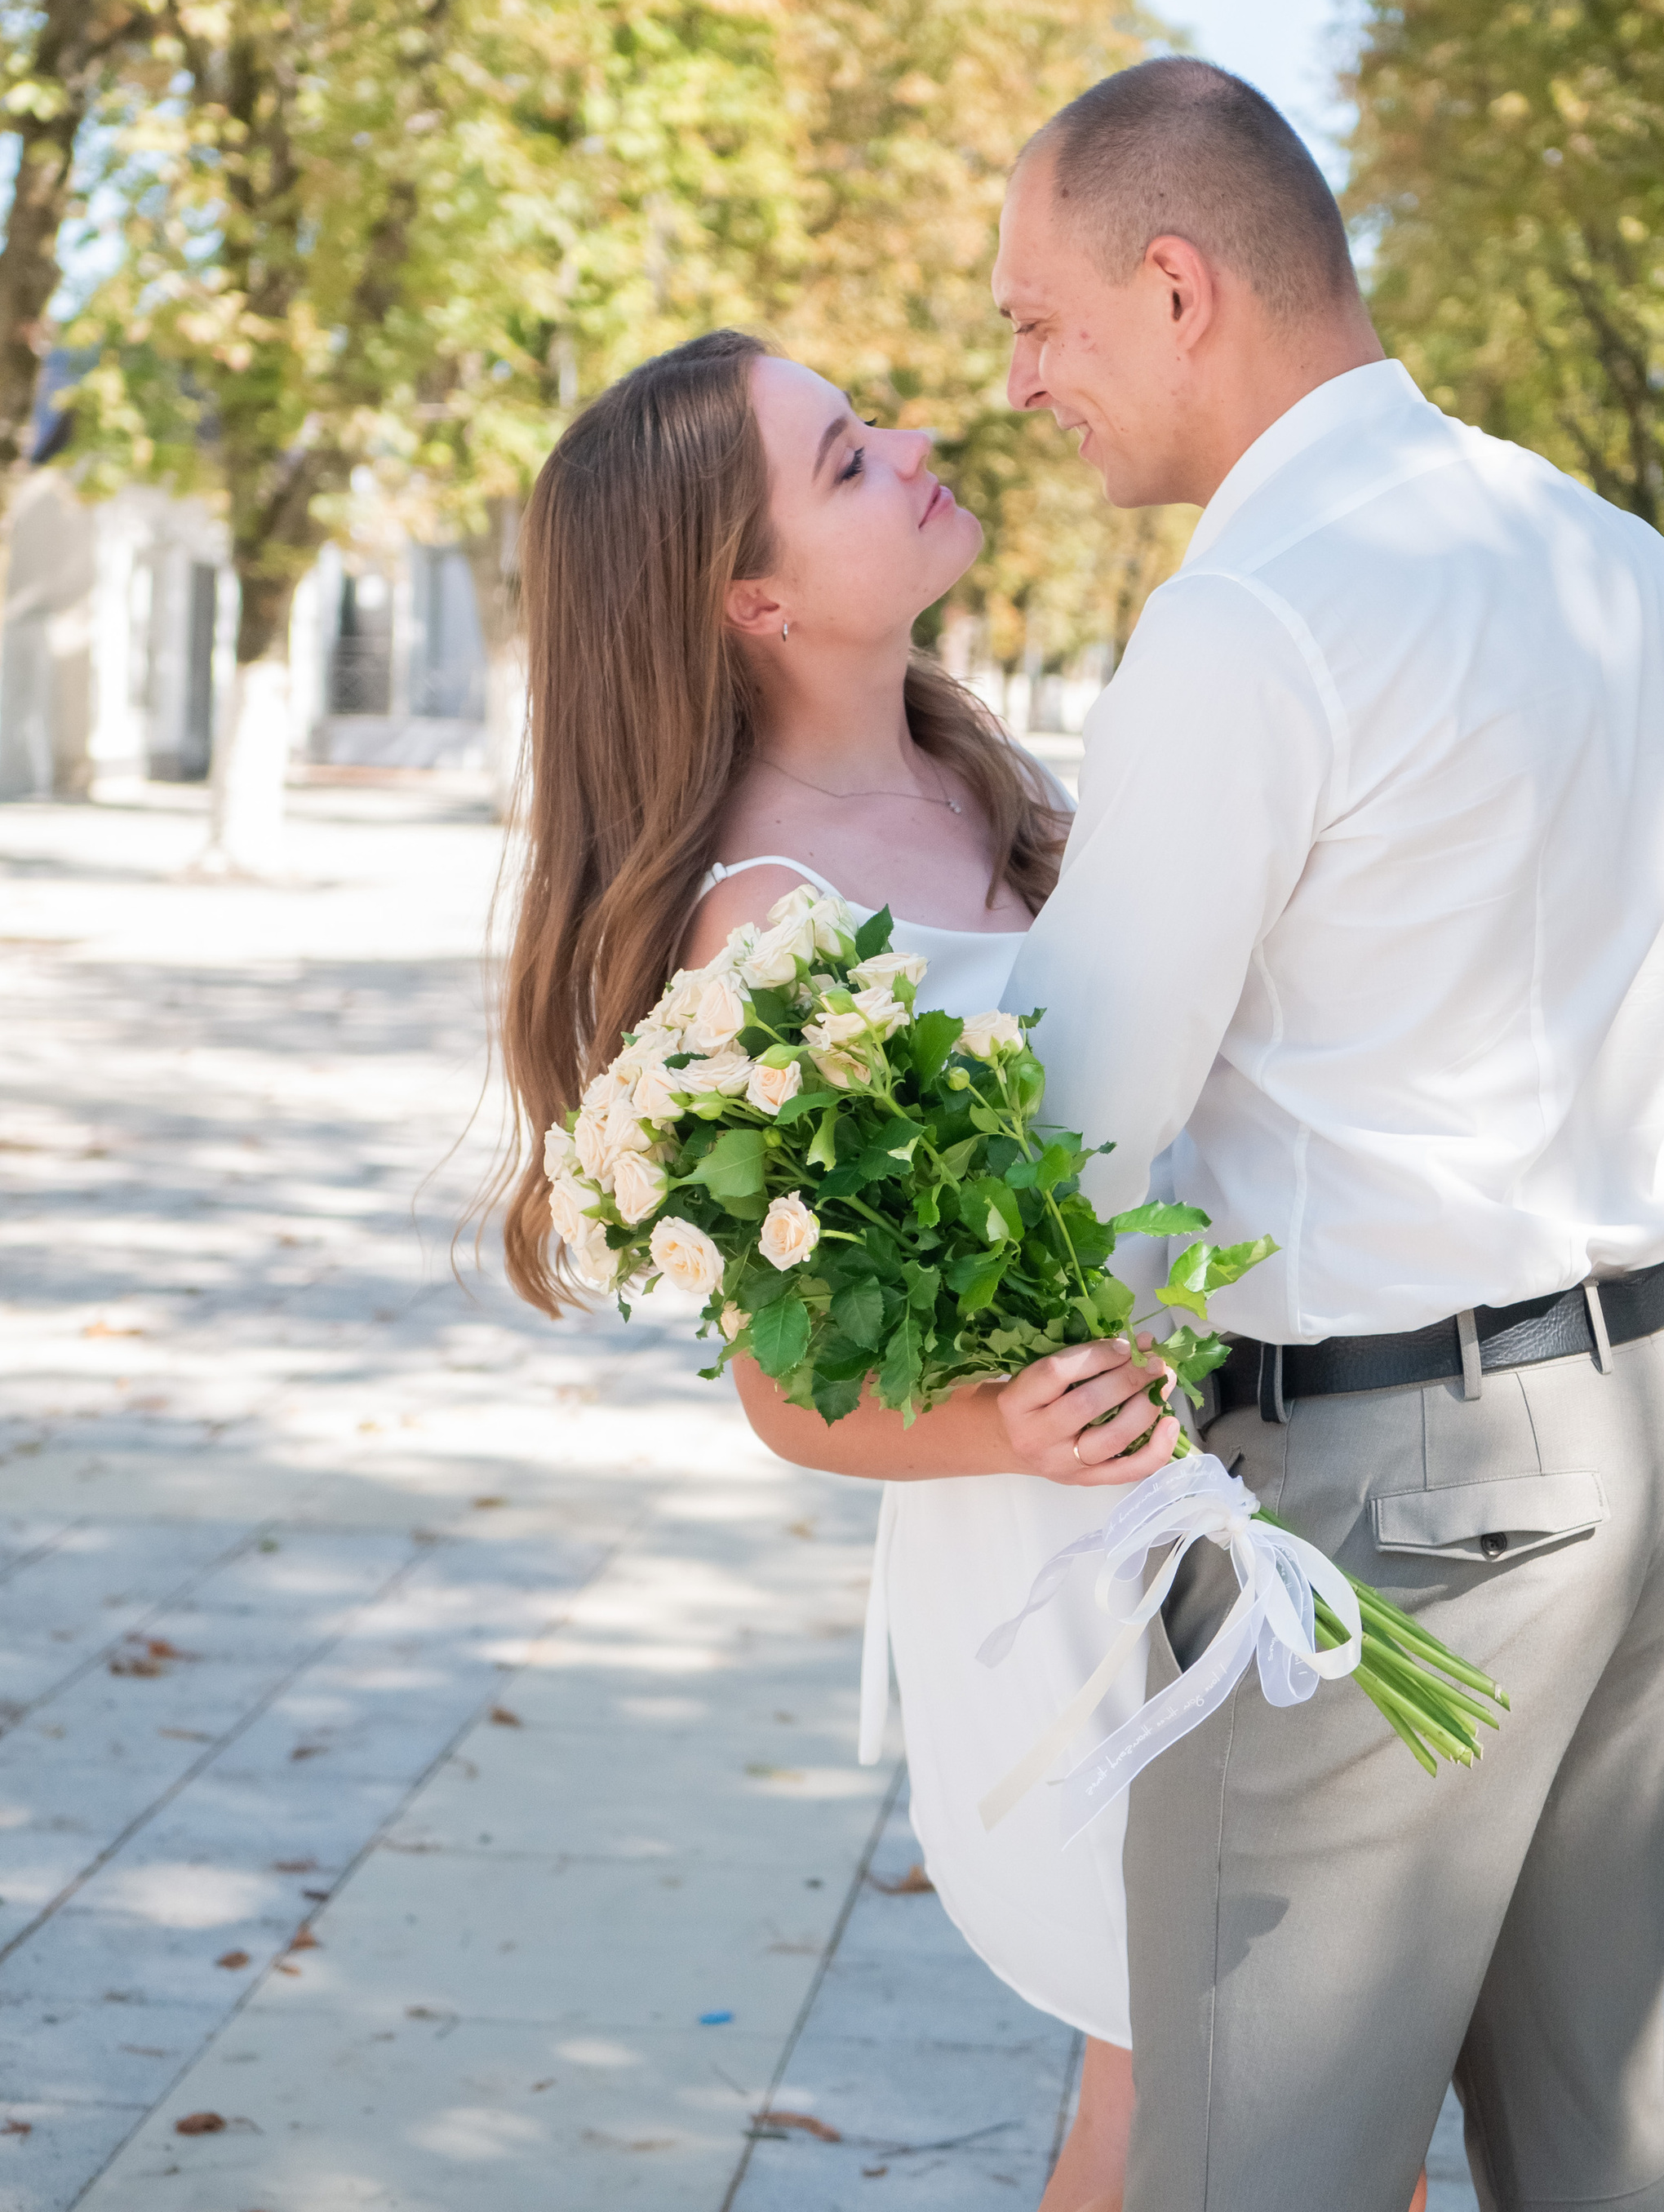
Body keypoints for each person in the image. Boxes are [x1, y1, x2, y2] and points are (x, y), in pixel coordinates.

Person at [994, 58, 1664, 2212]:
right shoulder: (1621, 560)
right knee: (1592, 2147)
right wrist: (1535, 1075)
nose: (1021, 379)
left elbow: (1082, 1128)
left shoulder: (1250, 615)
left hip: (1395, 1493)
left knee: (1247, 2174)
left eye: (1038, 319)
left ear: (1176, 283)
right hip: (1646, 1428)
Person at [496, 332, 1182, 2212]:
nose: (918, 439)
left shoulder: (996, 791)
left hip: (1213, 1488)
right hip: (1059, 1564)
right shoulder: (765, 927)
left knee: (1222, 2109)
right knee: (1246, 2103)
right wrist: (1019, 1429)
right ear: (753, 595)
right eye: (848, 456)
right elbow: (790, 1393)